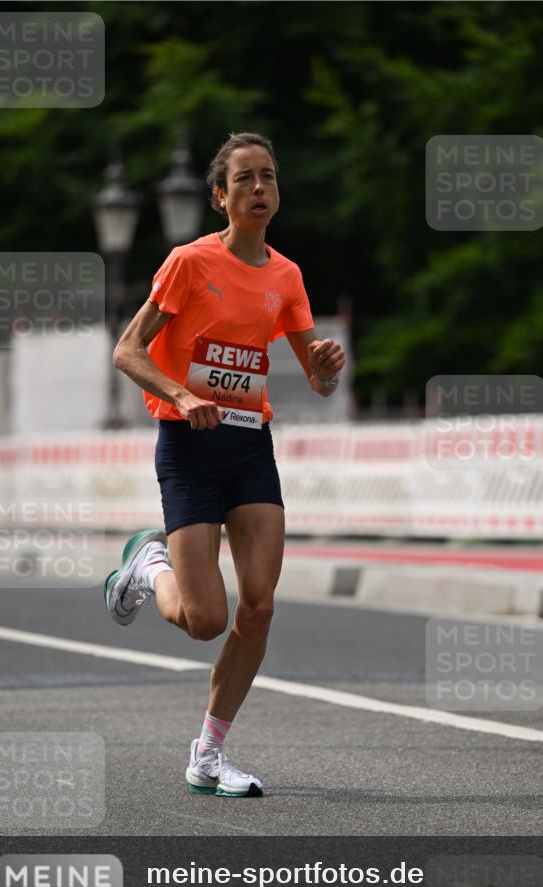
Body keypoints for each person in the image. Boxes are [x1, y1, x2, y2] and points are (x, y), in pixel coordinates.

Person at [104, 132, 345, 797]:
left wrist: (324, 370)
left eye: (268, 177)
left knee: (260, 607)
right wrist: (180, 394)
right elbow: (127, 350)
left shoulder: (285, 276)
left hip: (247, 448)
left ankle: (209, 755)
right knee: (205, 618)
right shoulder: (188, 262)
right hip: (187, 448)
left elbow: (314, 376)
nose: (259, 188)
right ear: (220, 196)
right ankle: (147, 568)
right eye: (244, 179)